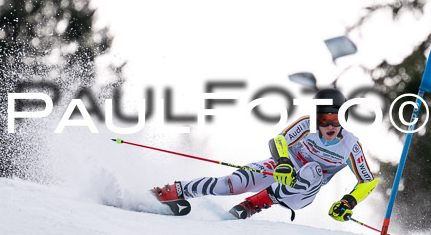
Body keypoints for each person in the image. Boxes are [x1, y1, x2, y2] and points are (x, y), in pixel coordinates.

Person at [151, 88, 378, 221]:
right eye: (324, 119)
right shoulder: (306, 126)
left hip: (302, 194)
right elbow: (279, 140)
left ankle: (252, 205)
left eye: (335, 119)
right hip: (283, 173)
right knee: (232, 182)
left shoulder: (350, 145)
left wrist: (347, 202)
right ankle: (170, 192)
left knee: (312, 170)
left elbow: (368, 181)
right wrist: (283, 163)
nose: (330, 126)